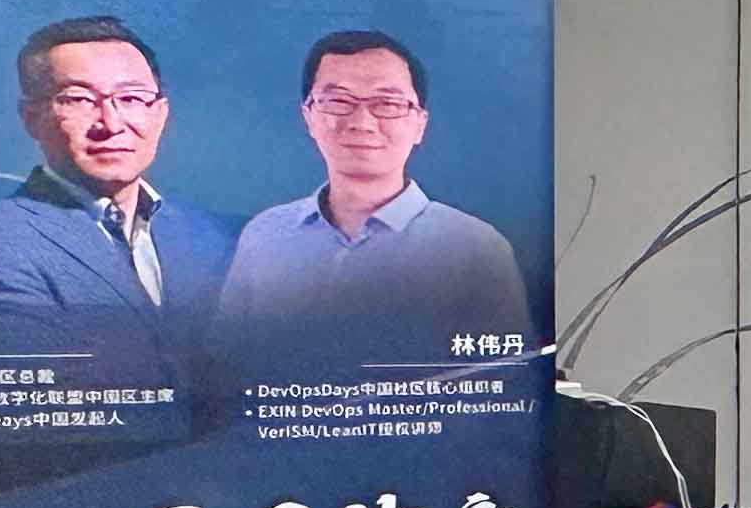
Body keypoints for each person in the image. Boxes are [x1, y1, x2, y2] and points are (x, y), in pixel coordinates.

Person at [0, 13, 236, 381]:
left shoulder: (220, 240)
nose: (111, 124)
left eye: (131, 98)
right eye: (78, 99)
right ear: (31, 118)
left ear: (160, 114)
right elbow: (46, 393)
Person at [209, 30, 530, 375]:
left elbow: (502, 384)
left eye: (387, 104)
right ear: (309, 117)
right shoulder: (264, 236)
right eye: (338, 101)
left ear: (419, 124)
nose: (361, 123)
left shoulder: (477, 249)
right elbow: (223, 372)